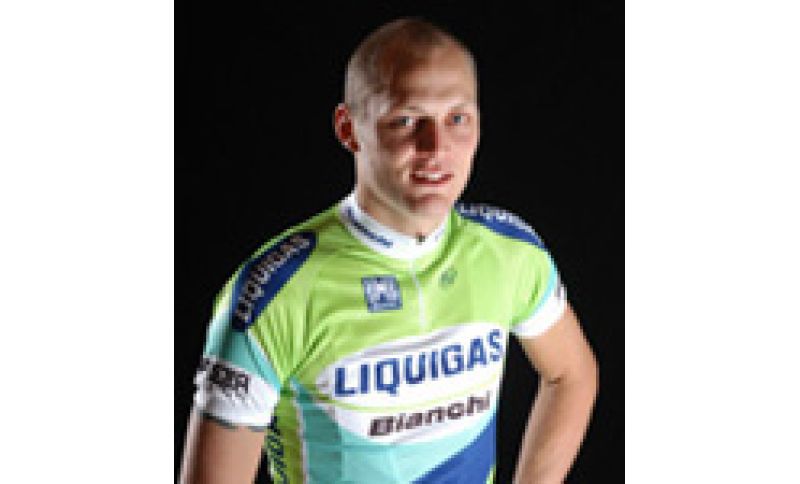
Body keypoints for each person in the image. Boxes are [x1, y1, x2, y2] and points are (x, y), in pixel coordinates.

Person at [179, 17, 598, 484]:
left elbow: (572, 374)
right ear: (349, 129)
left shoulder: (509, 252)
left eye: (457, 119)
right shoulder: (273, 290)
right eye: (406, 120)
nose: (435, 148)